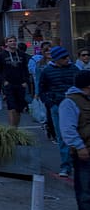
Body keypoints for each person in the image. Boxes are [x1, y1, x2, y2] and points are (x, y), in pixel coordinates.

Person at [57, 69, 90, 210]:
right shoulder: (70, 102)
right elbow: (67, 129)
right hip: (84, 151)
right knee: (85, 189)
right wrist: (79, 146)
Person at [39, 47, 79, 177]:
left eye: (67, 57)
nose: (67, 59)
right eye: (64, 58)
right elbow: (41, 89)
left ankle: (75, 163)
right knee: (62, 136)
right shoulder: (47, 71)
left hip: (74, 105)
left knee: (78, 133)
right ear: (57, 59)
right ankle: (66, 165)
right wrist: (50, 102)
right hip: (57, 105)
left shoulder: (74, 69)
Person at [0, 36, 31, 127]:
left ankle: (16, 128)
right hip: (9, 84)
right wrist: (3, 81)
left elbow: (25, 68)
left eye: (14, 41)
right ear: (6, 43)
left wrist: (25, 81)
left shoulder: (21, 54)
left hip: (21, 84)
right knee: (11, 107)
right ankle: (12, 129)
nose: (13, 43)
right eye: (10, 41)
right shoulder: (1, 55)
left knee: (19, 109)